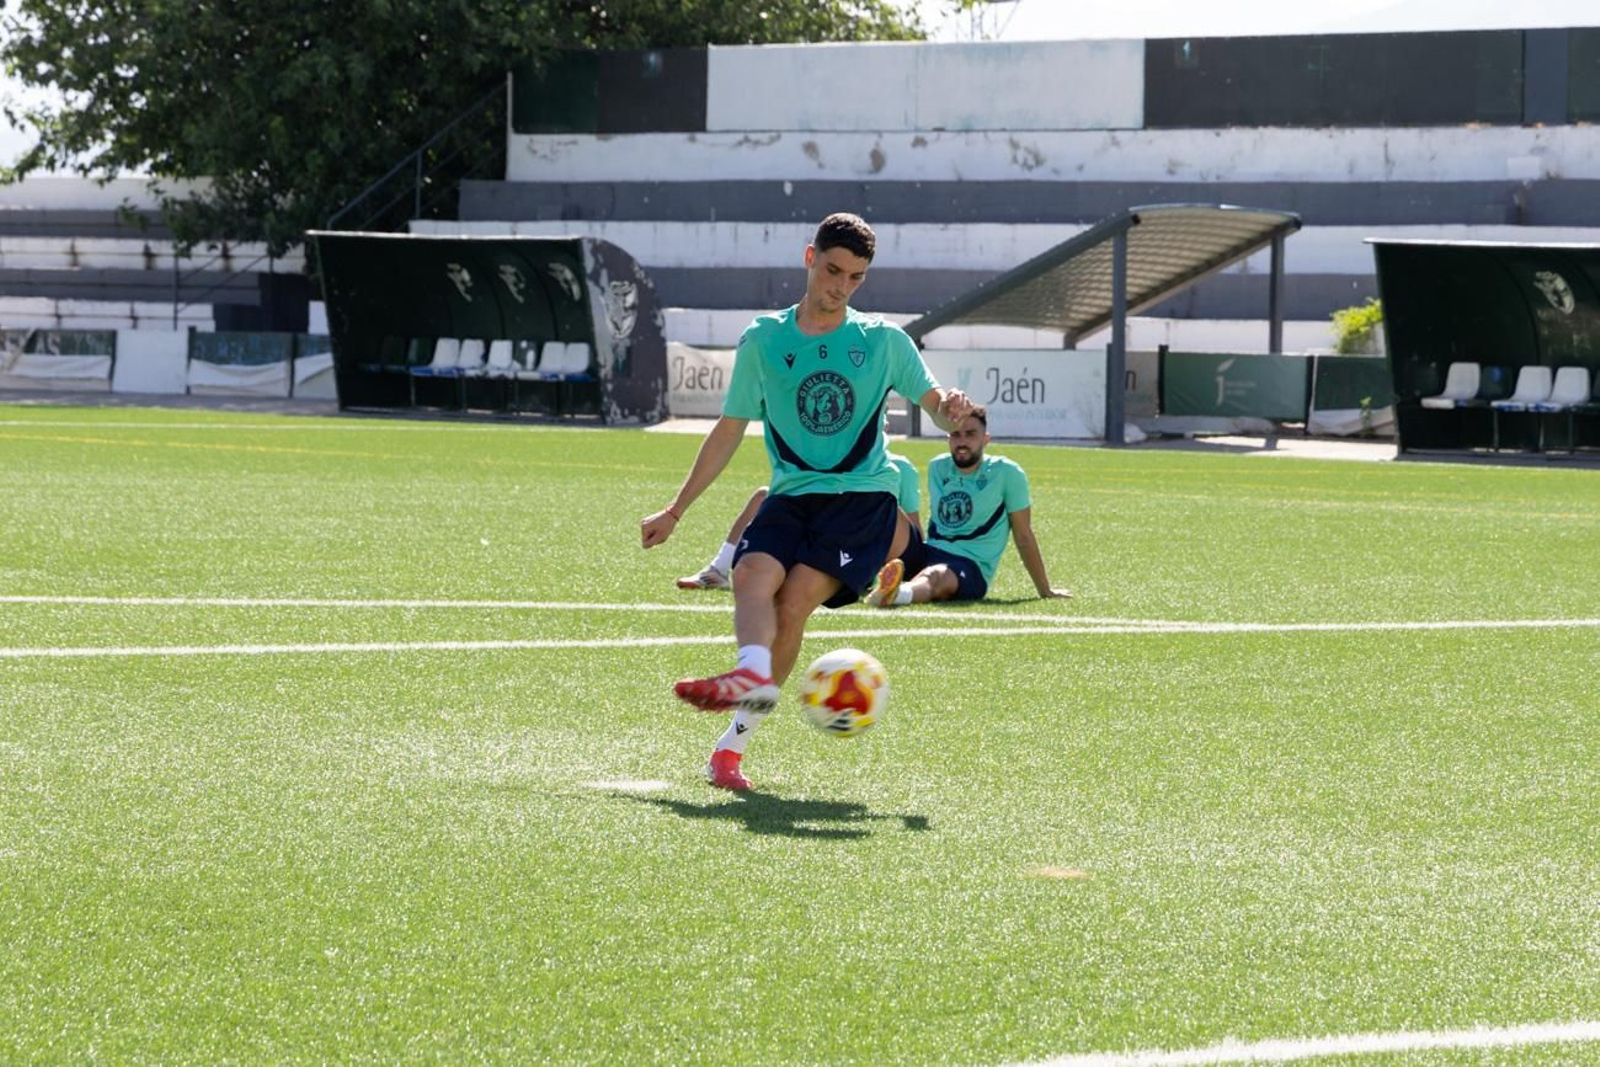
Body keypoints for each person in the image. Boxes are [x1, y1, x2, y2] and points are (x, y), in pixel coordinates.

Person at [640, 211, 972, 791]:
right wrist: (676, 510)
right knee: (749, 575)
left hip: (862, 499)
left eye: (856, 278)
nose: (841, 287)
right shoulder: (764, 339)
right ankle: (750, 673)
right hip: (792, 495)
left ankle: (731, 748)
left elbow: (934, 398)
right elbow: (728, 429)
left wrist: (951, 409)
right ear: (809, 258)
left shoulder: (883, 341)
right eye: (834, 270)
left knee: (792, 605)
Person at [868, 405, 1072, 608]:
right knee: (883, 505)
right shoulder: (938, 467)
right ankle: (857, 573)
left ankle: (897, 594)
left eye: (970, 434)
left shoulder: (1007, 473)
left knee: (936, 575)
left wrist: (1045, 589)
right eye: (956, 435)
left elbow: (1024, 536)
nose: (962, 442)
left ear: (986, 439)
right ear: (948, 439)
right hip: (927, 552)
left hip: (969, 566)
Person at [676, 449, 922, 591]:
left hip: (868, 546)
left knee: (878, 505)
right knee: (765, 495)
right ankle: (719, 568)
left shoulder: (899, 466)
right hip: (825, 534)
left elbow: (913, 532)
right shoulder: (831, 455)